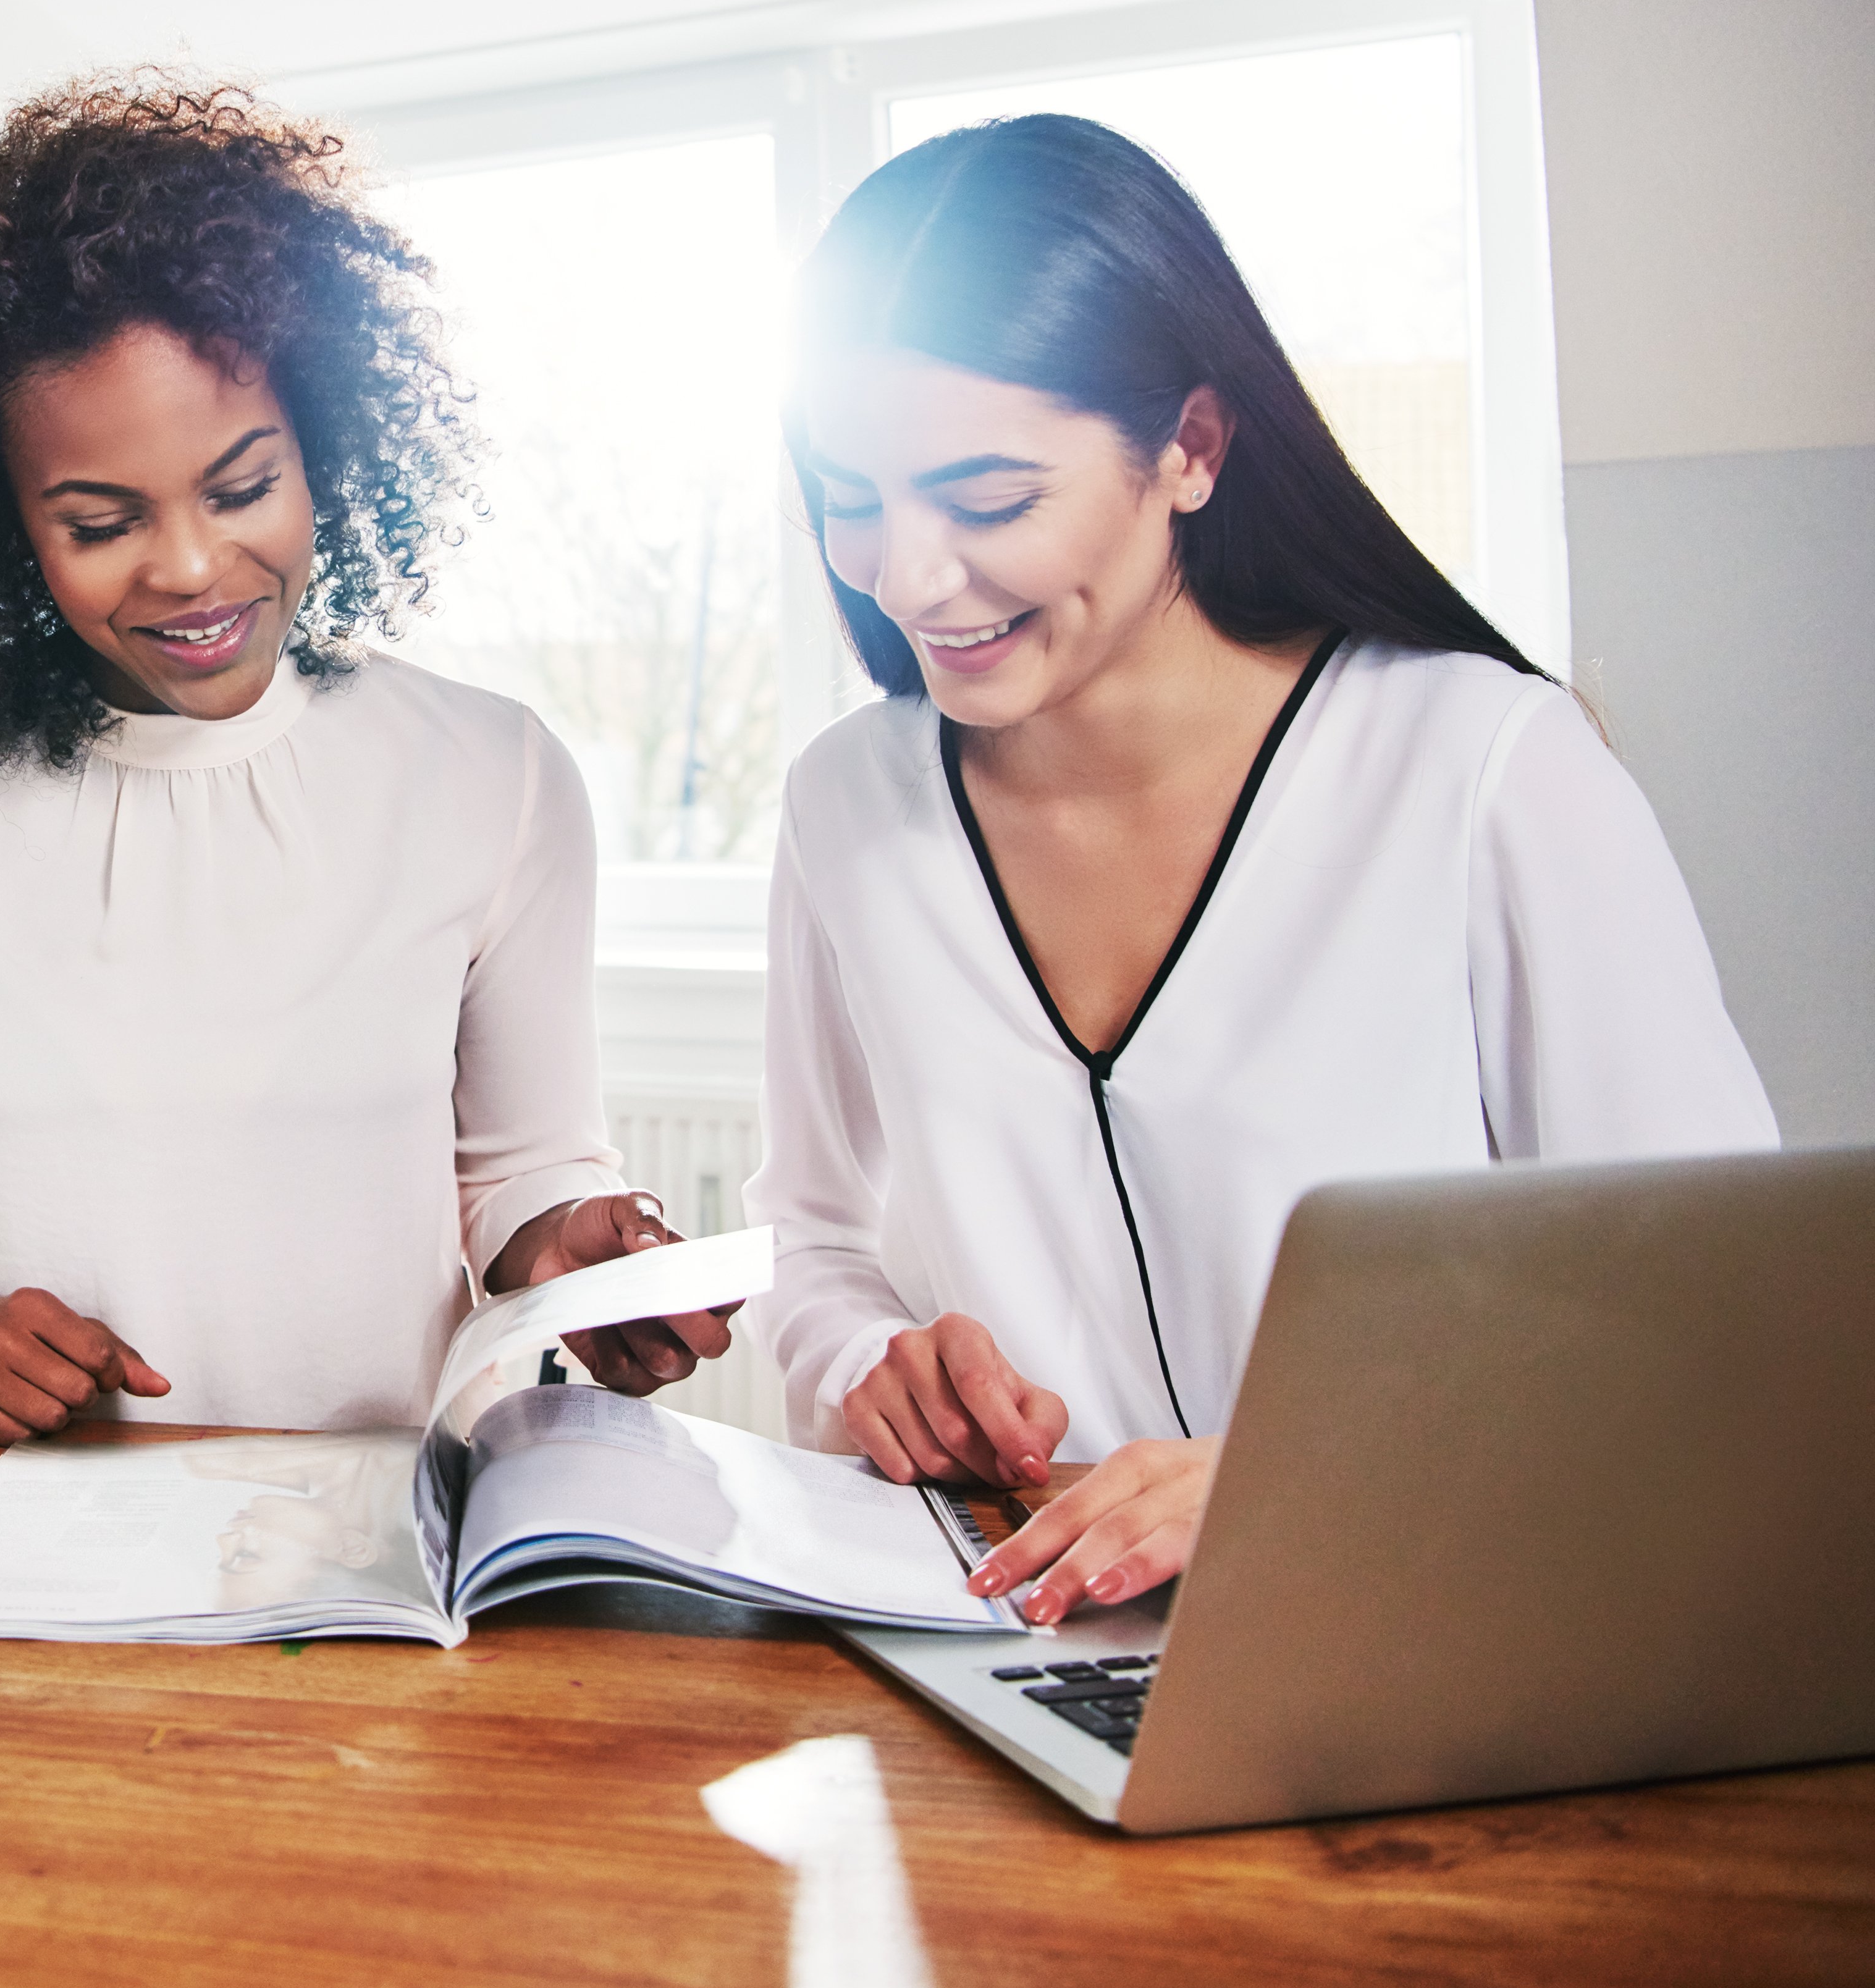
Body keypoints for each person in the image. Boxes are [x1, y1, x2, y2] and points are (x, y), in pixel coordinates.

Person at [743, 114, 1777, 1626]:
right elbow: (807, 1239)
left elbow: (1718, 1320)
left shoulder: (1483, 766)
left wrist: (1295, 1472)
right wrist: (859, 1358)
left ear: (1191, 448)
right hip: (1019, 1664)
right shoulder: (845, 809)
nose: (901, 578)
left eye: (984, 501)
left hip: (1436, 1639)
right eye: (849, 494)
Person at [0, 76, 731, 1441]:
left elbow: (519, 1170)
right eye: (99, 519)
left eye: (241, 487)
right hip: (62, 1526)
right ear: (1, 522)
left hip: (403, 1529)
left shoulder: (491, 774)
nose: (188, 567)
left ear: (327, 447)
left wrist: (577, 1260)